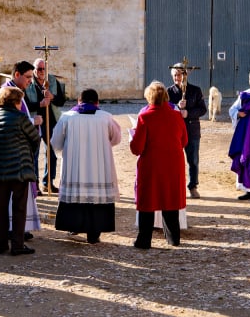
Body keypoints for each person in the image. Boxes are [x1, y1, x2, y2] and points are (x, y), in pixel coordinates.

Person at [52, 88, 121, 244]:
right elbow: (116, 138)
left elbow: (56, 142)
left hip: (75, 166)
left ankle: (74, 225)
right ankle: (94, 233)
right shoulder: (106, 117)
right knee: (97, 197)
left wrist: (67, 148)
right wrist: (103, 145)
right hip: (99, 167)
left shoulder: (67, 117)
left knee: (76, 195)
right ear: (97, 102)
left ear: (79, 101)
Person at [0, 86, 40, 255]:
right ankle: (17, 245)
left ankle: (0, 244)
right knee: (19, 207)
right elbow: (35, 139)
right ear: (16, 102)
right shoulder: (21, 118)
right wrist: (26, 153)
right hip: (19, 169)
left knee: (0, 207)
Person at [130, 81, 187, 249]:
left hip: (152, 164)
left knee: (148, 202)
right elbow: (184, 141)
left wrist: (132, 137)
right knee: (170, 199)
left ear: (149, 98)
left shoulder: (145, 117)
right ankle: (173, 238)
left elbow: (137, 148)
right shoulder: (176, 115)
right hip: (173, 164)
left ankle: (144, 240)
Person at [25, 59, 67, 193]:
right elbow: (25, 105)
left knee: (52, 152)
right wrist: (40, 104)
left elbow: (62, 101)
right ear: (34, 70)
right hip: (35, 121)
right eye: (39, 69)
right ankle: (35, 184)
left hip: (51, 120)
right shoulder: (28, 83)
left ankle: (48, 182)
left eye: (43, 69)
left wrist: (52, 97)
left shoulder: (52, 81)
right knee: (34, 153)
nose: (42, 71)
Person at [166, 64, 207, 198]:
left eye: (179, 75)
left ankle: (193, 186)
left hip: (192, 130)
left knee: (193, 160)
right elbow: (164, 110)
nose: (177, 78)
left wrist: (188, 113)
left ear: (185, 75)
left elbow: (202, 109)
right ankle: (174, 186)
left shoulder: (195, 90)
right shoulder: (168, 92)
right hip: (174, 132)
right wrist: (177, 107)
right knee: (173, 161)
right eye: (174, 75)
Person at [227, 67, 250, 201]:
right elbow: (232, 109)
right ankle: (248, 189)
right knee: (245, 156)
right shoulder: (245, 94)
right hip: (245, 133)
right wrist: (238, 113)